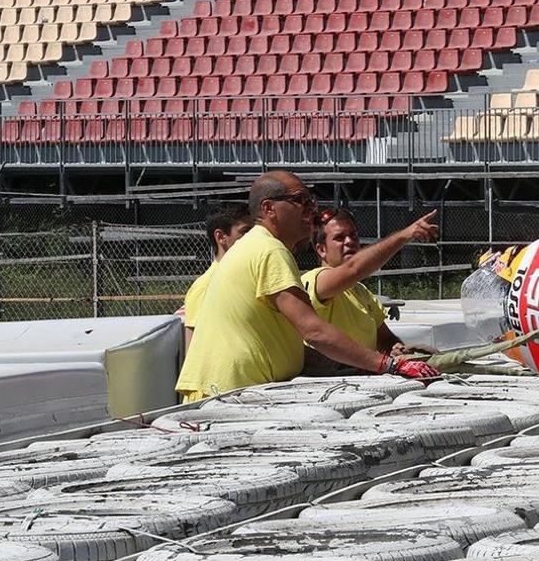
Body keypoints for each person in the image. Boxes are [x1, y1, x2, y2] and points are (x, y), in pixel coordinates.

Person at [175, 171, 438, 403]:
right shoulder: (269, 251)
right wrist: (386, 366)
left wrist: (374, 362)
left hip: (232, 391)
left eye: (311, 201)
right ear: (269, 208)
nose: (310, 209)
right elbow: (314, 330)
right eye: (300, 200)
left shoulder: (261, 248)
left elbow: (291, 340)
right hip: (224, 394)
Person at [301, 206, 439, 372]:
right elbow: (354, 268)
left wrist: (398, 349)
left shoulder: (361, 291)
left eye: (353, 235)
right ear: (321, 249)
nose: (350, 241)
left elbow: (385, 339)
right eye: (339, 238)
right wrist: (405, 235)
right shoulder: (316, 280)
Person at [180, 202, 254, 354]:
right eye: (245, 232)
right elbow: (193, 349)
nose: (254, 239)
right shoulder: (204, 286)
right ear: (221, 237)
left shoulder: (249, 276)